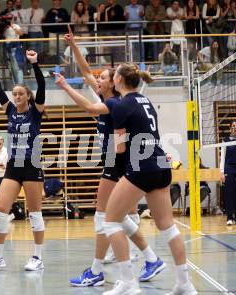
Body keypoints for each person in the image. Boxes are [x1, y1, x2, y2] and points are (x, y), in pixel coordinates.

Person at [56, 28, 165, 287]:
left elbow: (87, 107)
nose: (98, 79)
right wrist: (74, 45)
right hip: (115, 162)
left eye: (103, 77)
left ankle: (96, 270)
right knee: (119, 217)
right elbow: (85, 71)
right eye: (100, 77)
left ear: (112, 83)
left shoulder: (115, 103)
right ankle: (151, 258)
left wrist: (63, 86)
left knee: (102, 215)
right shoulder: (108, 95)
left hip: (118, 162)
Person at [101, 62, 197, 294]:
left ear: (119, 81)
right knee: (168, 228)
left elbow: (121, 148)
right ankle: (185, 284)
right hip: (161, 164)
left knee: (111, 221)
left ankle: (128, 282)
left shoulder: (122, 105)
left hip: (141, 166)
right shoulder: (146, 102)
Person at [0, 50, 46, 271]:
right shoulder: (9, 111)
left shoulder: (35, 112)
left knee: (34, 213)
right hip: (13, 166)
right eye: (14, 94)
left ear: (27, 96)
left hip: (32, 165)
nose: (16, 97)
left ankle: (37, 258)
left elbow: (42, 86)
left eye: (20, 94)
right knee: (0, 210)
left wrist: (34, 63)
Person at [220, 121, 236, 225]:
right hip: (229, 169)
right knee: (229, 193)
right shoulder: (225, 141)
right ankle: (229, 217)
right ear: (230, 128)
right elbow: (222, 157)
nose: (235, 128)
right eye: (234, 126)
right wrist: (221, 172)